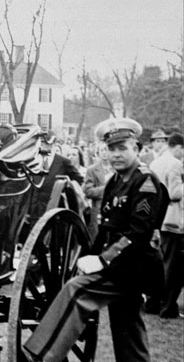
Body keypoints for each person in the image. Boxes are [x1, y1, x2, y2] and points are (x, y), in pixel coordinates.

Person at [22, 118, 168, 362]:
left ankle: (42, 356)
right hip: (121, 265)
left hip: (134, 266)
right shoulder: (115, 181)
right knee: (127, 327)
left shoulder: (145, 181)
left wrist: (102, 260)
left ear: (137, 149)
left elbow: (138, 235)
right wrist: (87, 255)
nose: (116, 155)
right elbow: (105, 228)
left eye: (123, 148)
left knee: (76, 292)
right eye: (112, 149)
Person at [149, 132, 184, 318]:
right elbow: (175, 193)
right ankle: (168, 306)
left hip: (158, 219)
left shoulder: (156, 162)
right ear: (177, 147)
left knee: (160, 263)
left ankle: (153, 302)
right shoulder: (175, 163)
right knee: (173, 266)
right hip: (173, 220)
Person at [30, 133, 84, 221]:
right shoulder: (33, 161)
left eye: (47, 144)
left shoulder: (63, 162)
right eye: (41, 143)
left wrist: (66, 187)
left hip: (54, 212)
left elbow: (79, 181)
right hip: (34, 212)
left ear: (54, 144)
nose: (43, 146)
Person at [83, 141, 114, 240]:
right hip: (98, 210)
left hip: (115, 210)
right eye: (102, 150)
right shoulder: (92, 170)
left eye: (107, 149)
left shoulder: (118, 168)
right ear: (98, 153)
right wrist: (107, 188)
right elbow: (88, 191)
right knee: (97, 240)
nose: (105, 152)